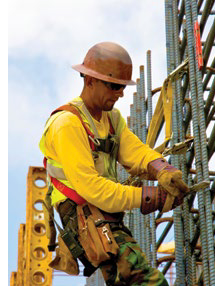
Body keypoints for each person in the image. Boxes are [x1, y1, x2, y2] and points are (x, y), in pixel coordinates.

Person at [39, 41, 189, 286]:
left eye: (122, 87)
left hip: (102, 215)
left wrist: (163, 170)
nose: (120, 93)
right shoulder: (67, 124)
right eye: (114, 86)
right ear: (90, 81)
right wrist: (151, 197)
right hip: (84, 217)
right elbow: (92, 189)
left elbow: (134, 152)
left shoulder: (111, 118)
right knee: (146, 281)